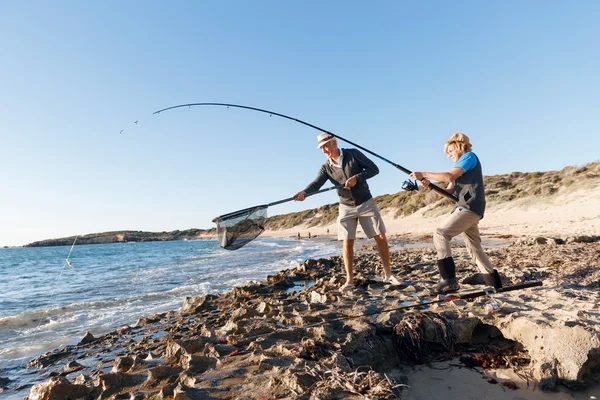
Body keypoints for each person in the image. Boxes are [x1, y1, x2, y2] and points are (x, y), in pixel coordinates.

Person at [295, 133, 400, 291]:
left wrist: (357, 178)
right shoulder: (326, 167)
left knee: (380, 236)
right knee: (347, 241)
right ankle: (349, 280)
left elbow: (374, 169)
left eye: (325, 145)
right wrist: (305, 192)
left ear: (334, 142)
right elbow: (316, 184)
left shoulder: (353, 154)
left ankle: (388, 275)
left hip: (365, 202)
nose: (323, 149)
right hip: (345, 206)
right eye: (321, 147)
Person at [409, 133, 502, 294]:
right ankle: (494, 282)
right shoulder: (461, 167)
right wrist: (430, 185)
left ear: (459, 147)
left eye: (450, 150)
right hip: (471, 208)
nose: (448, 154)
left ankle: (449, 280)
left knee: (440, 234)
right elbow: (450, 192)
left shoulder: (468, 157)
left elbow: (449, 176)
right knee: (474, 247)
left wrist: (424, 173)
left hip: (469, 207)